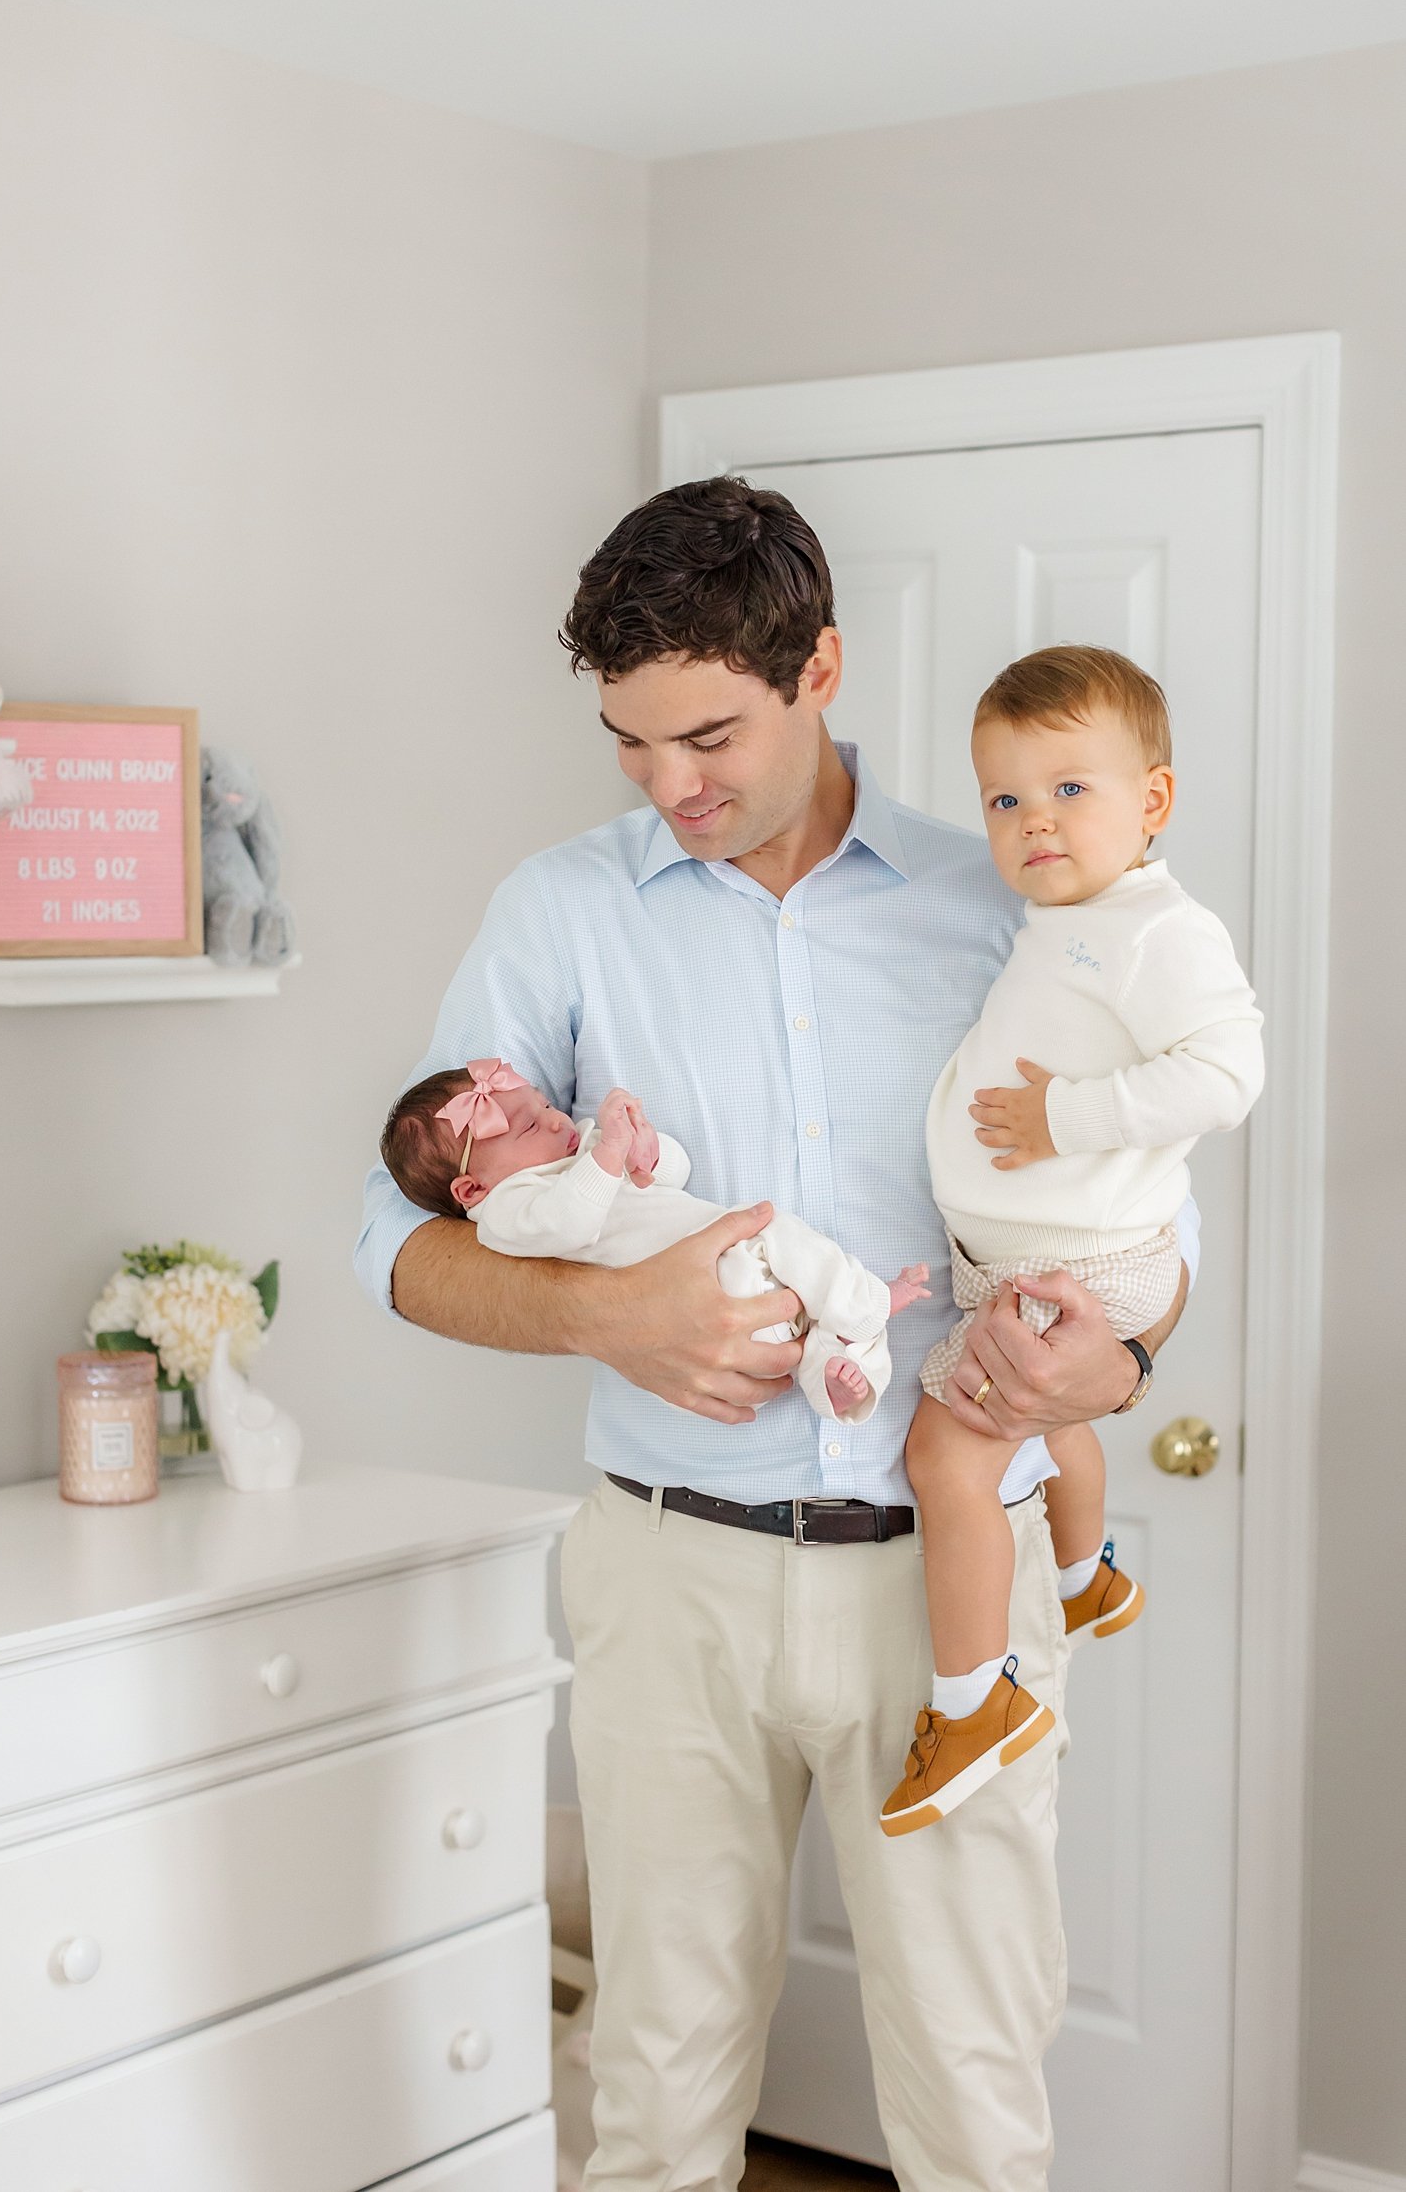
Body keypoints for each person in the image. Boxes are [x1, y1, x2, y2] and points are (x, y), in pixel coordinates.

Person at [354, 477, 1196, 2192]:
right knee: (655, 2085)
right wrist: (615, 1312)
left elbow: (1156, 1225)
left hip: (950, 1572)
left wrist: (1117, 1368)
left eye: (711, 736)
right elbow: (397, 1244)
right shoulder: (561, 912)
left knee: (975, 2077)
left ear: (819, 669)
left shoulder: (1013, 909)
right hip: (671, 1579)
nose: (672, 789)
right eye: (630, 746)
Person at [882, 647, 1262, 1838]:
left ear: (1153, 800)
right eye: (1005, 799)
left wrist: (1062, 1119)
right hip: (1038, 1262)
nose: (1033, 821)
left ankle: (973, 1702)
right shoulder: (1071, 917)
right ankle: (1083, 1575)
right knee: (1046, 1439)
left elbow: (1228, 1075)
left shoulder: (1157, 929)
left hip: (1079, 1268)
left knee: (947, 1465)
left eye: (1070, 789)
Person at [379, 1060, 931, 1421]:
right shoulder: (507, 1210)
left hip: (731, 1275)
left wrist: (646, 1151)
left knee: (812, 1335)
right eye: (528, 1127)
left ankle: (836, 1388)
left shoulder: (581, 1155)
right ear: (472, 1187)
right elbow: (570, 1221)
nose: (552, 1122)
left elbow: (672, 1176)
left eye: (546, 1106)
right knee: (775, 1230)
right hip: (705, 1288)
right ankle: (868, 1302)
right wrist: (609, 1153)